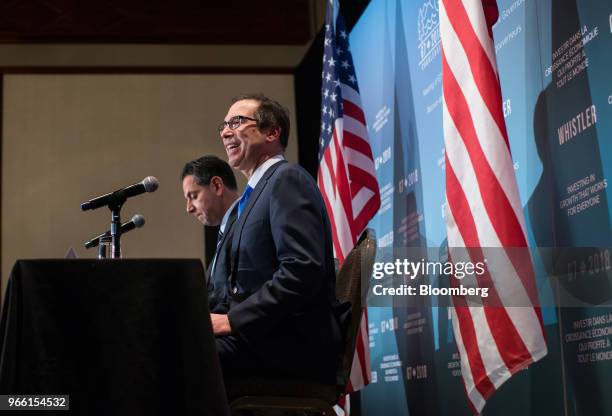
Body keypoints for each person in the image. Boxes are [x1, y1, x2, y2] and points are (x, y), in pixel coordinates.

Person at [212, 93, 344, 385]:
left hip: (287, 346)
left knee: (180, 357)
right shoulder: (249, 200)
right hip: (259, 339)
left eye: (237, 122)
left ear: (272, 132)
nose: (225, 131)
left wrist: (232, 320)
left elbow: (302, 270)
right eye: (223, 125)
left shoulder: (287, 180)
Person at [182, 155, 239, 314]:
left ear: (216, 185)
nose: (189, 208)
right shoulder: (226, 229)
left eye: (193, 196)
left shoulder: (244, 226)